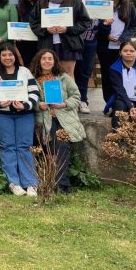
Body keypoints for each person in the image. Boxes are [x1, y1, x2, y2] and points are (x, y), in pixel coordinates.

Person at [0, 42, 40, 197]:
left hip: (24, 114)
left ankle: (31, 183)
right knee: (8, 146)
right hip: (0, 114)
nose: (7, 57)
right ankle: (14, 183)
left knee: (25, 146)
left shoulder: (24, 71)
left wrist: (26, 105)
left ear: (15, 56)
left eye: (10, 54)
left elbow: (34, 91)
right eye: (4, 55)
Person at [30, 48, 86, 194]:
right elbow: (28, 100)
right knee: (54, 146)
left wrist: (64, 104)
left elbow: (76, 97)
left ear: (54, 61)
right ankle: (59, 184)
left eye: (50, 58)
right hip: (44, 118)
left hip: (63, 117)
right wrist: (38, 105)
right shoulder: (32, 80)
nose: (47, 61)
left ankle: (61, 184)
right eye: (44, 59)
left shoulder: (63, 78)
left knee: (62, 146)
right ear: (39, 61)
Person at [30, 0, 91, 76]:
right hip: (47, 44)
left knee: (67, 75)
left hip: (69, 44)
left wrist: (68, 29)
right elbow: (33, 22)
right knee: (49, 75)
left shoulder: (74, 0)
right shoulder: (42, 1)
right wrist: (45, 30)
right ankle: (51, 93)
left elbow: (85, 22)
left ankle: (69, 93)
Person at [98, 0, 136, 105]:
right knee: (107, 75)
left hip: (122, 48)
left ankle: (124, 102)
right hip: (105, 47)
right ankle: (109, 103)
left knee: (123, 75)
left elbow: (133, 26)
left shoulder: (129, 6)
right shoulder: (102, 5)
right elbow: (96, 26)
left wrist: (123, 38)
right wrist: (106, 35)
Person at [74, 0, 101, 114]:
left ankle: (83, 100)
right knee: (73, 72)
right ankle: (74, 100)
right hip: (75, 45)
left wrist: (106, 24)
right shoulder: (76, 6)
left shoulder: (103, 9)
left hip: (90, 46)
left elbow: (103, 31)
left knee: (85, 73)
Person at [15, 0, 42, 69]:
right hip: (25, 43)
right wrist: (17, 34)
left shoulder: (42, 3)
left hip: (40, 41)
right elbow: (18, 22)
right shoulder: (20, 5)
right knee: (28, 67)